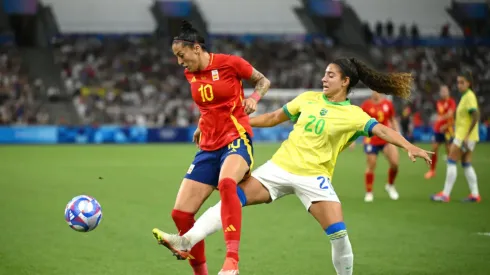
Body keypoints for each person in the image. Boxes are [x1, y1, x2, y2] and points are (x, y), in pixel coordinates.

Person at [154, 58, 432, 275]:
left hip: (314, 177)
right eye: (324, 74)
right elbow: (275, 117)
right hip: (278, 168)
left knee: (338, 234)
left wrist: (409, 146)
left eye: (331, 75)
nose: (324, 78)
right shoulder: (308, 98)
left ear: (346, 82)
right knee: (231, 196)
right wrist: (230, 124)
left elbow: (382, 130)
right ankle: (186, 241)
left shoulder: (353, 115)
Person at [152, 21, 271, 275]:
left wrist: (253, 98)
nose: (180, 62)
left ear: (196, 48)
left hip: (236, 138)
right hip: (208, 144)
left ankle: (231, 262)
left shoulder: (230, 63)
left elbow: (263, 81)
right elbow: (207, 105)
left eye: (181, 55)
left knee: (227, 183)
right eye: (176, 57)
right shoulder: (190, 73)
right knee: (180, 214)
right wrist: (200, 124)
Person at [431, 71, 480, 203]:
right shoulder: (466, 96)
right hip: (467, 136)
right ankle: (475, 195)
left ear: (468, 83)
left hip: (463, 136)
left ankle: (445, 195)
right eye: (458, 82)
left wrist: (466, 135)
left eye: (462, 82)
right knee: (466, 163)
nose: (459, 85)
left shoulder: (469, 97)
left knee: (451, 160)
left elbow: (476, 116)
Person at [360, 91, 400, 202]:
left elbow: (392, 119)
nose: (375, 92)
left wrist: (398, 134)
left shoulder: (387, 104)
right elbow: (359, 122)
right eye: (373, 90)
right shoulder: (366, 105)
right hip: (371, 139)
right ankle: (369, 192)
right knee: (371, 165)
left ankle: (390, 185)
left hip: (386, 138)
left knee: (395, 164)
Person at [424, 85, 456, 179]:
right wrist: (438, 122)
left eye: (445, 91)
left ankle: (450, 171)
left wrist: (442, 121)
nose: (443, 93)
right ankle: (432, 171)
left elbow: (450, 114)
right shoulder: (439, 102)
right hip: (438, 129)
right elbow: (439, 115)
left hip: (447, 129)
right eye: (442, 91)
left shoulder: (451, 102)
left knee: (449, 150)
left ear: (448, 92)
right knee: (433, 149)